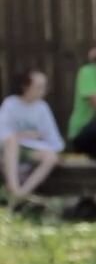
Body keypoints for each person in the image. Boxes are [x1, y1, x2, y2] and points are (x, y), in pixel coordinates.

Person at [0, 69, 64, 200]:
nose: (43, 91)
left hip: (30, 149)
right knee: (11, 141)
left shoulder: (42, 107)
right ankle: (13, 186)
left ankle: (22, 193)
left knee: (51, 157)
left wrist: (39, 139)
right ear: (26, 86)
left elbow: (54, 139)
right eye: (39, 87)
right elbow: (2, 132)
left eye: (44, 87)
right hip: (7, 148)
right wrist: (20, 135)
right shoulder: (10, 104)